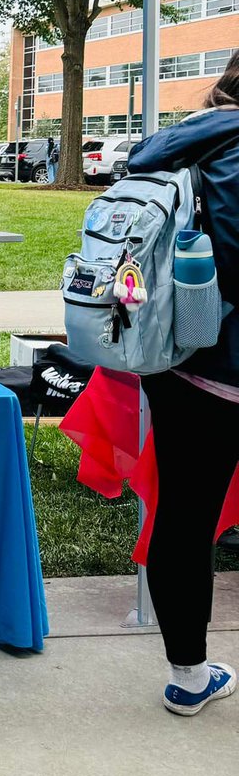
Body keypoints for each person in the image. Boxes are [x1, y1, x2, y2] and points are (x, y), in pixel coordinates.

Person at [125, 47, 239, 718]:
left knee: (186, 517)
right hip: (227, 363)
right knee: (191, 518)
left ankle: (188, 675)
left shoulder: (177, 143)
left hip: (173, 354)